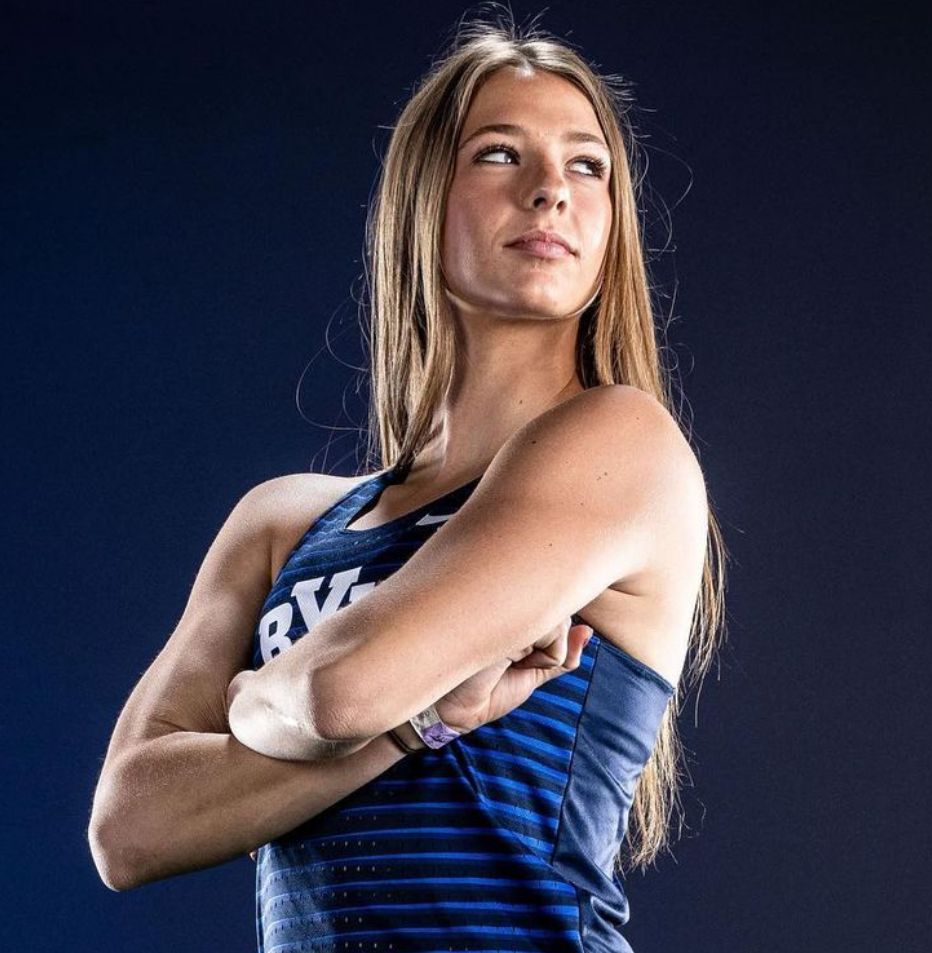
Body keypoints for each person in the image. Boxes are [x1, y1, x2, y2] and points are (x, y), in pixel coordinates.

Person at [88, 12, 727, 952]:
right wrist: (419, 721)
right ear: (423, 200)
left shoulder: (620, 444)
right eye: (501, 153)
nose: (551, 189)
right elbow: (129, 829)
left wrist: (254, 700)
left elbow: (336, 692)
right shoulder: (282, 521)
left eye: (587, 165)